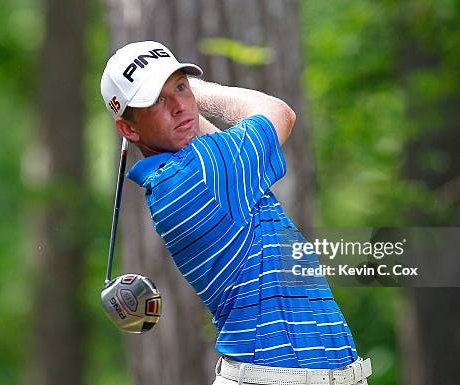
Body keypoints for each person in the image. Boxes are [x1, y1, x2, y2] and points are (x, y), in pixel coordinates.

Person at [100, 41, 372, 385]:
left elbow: (212, 140)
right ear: (129, 128)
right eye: (156, 99)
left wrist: (174, 95)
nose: (179, 106)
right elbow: (278, 113)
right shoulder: (198, 174)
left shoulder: (192, 171)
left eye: (180, 87)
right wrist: (198, 89)